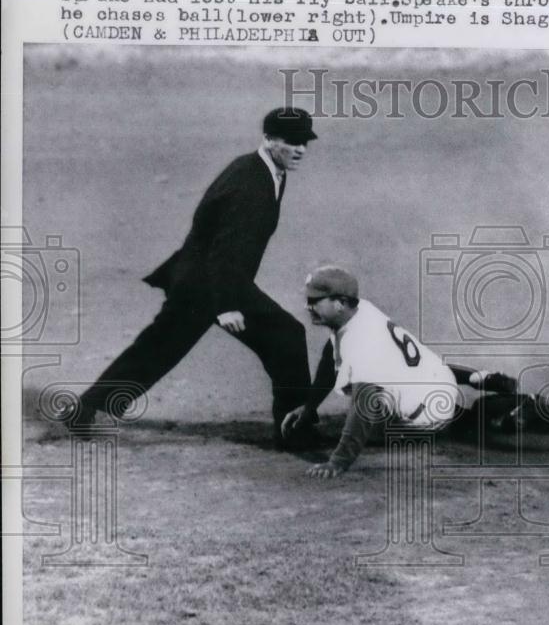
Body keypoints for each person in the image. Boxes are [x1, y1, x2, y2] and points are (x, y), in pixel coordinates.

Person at [68, 107, 319, 449]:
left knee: (160, 346)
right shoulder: (252, 184)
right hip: (210, 283)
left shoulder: (264, 168)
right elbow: (223, 248)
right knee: (286, 337)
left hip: (207, 278)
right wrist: (227, 305)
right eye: (292, 142)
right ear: (269, 139)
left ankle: (87, 409)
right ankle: (296, 431)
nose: (300, 149)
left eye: (305, 142)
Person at [281, 266, 522, 478]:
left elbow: (363, 405)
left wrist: (338, 461)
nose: (307, 306)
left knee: (378, 423)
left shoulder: (361, 342)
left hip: (430, 411)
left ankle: (489, 417)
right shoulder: (359, 310)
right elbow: (330, 357)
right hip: (435, 374)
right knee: (398, 368)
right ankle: (478, 380)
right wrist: (310, 406)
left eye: (315, 300)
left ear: (340, 302)